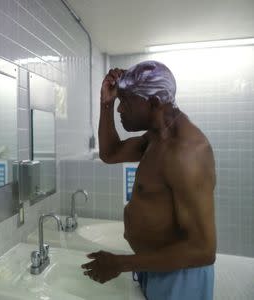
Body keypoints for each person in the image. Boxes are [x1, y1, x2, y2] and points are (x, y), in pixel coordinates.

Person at [82, 61, 216, 300]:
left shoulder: (186, 153)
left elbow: (203, 250)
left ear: (153, 103)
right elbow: (110, 153)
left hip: (179, 277)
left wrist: (120, 264)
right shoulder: (156, 137)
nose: (121, 110)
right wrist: (107, 103)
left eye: (125, 103)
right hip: (154, 265)